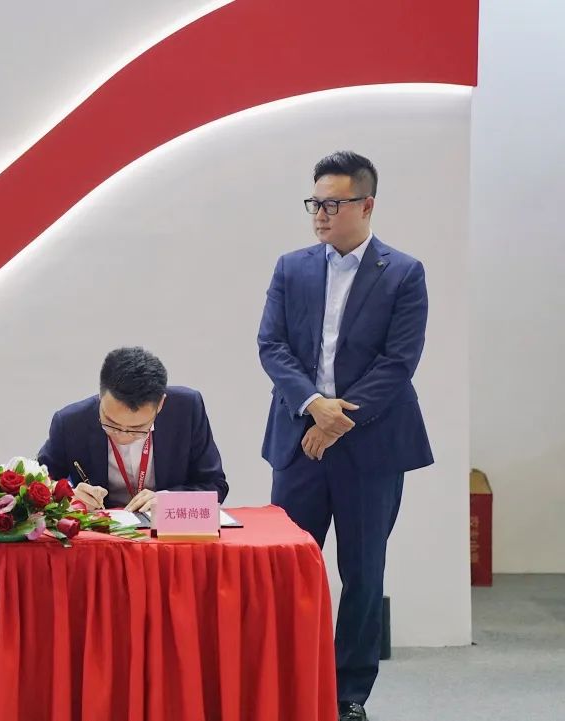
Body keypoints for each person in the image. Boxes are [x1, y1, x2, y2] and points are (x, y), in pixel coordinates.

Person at [257, 151, 433, 721]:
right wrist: (314, 407)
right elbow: (272, 346)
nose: (320, 214)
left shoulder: (403, 272)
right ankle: (288, 684)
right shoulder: (292, 268)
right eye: (315, 203)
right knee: (290, 569)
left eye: (333, 204)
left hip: (371, 448)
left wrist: (336, 422)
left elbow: (398, 361)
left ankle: (348, 694)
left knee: (363, 573)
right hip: (298, 443)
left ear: (367, 204)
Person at [37, 346, 227, 512]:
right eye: (110, 424)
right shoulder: (71, 422)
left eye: (137, 429)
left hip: (166, 532)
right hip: (103, 533)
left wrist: (169, 501)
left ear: (160, 404)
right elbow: (37, 485)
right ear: (101, 396)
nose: (123, 437)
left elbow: (215, 485)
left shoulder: (186, 409)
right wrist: (69, 496)